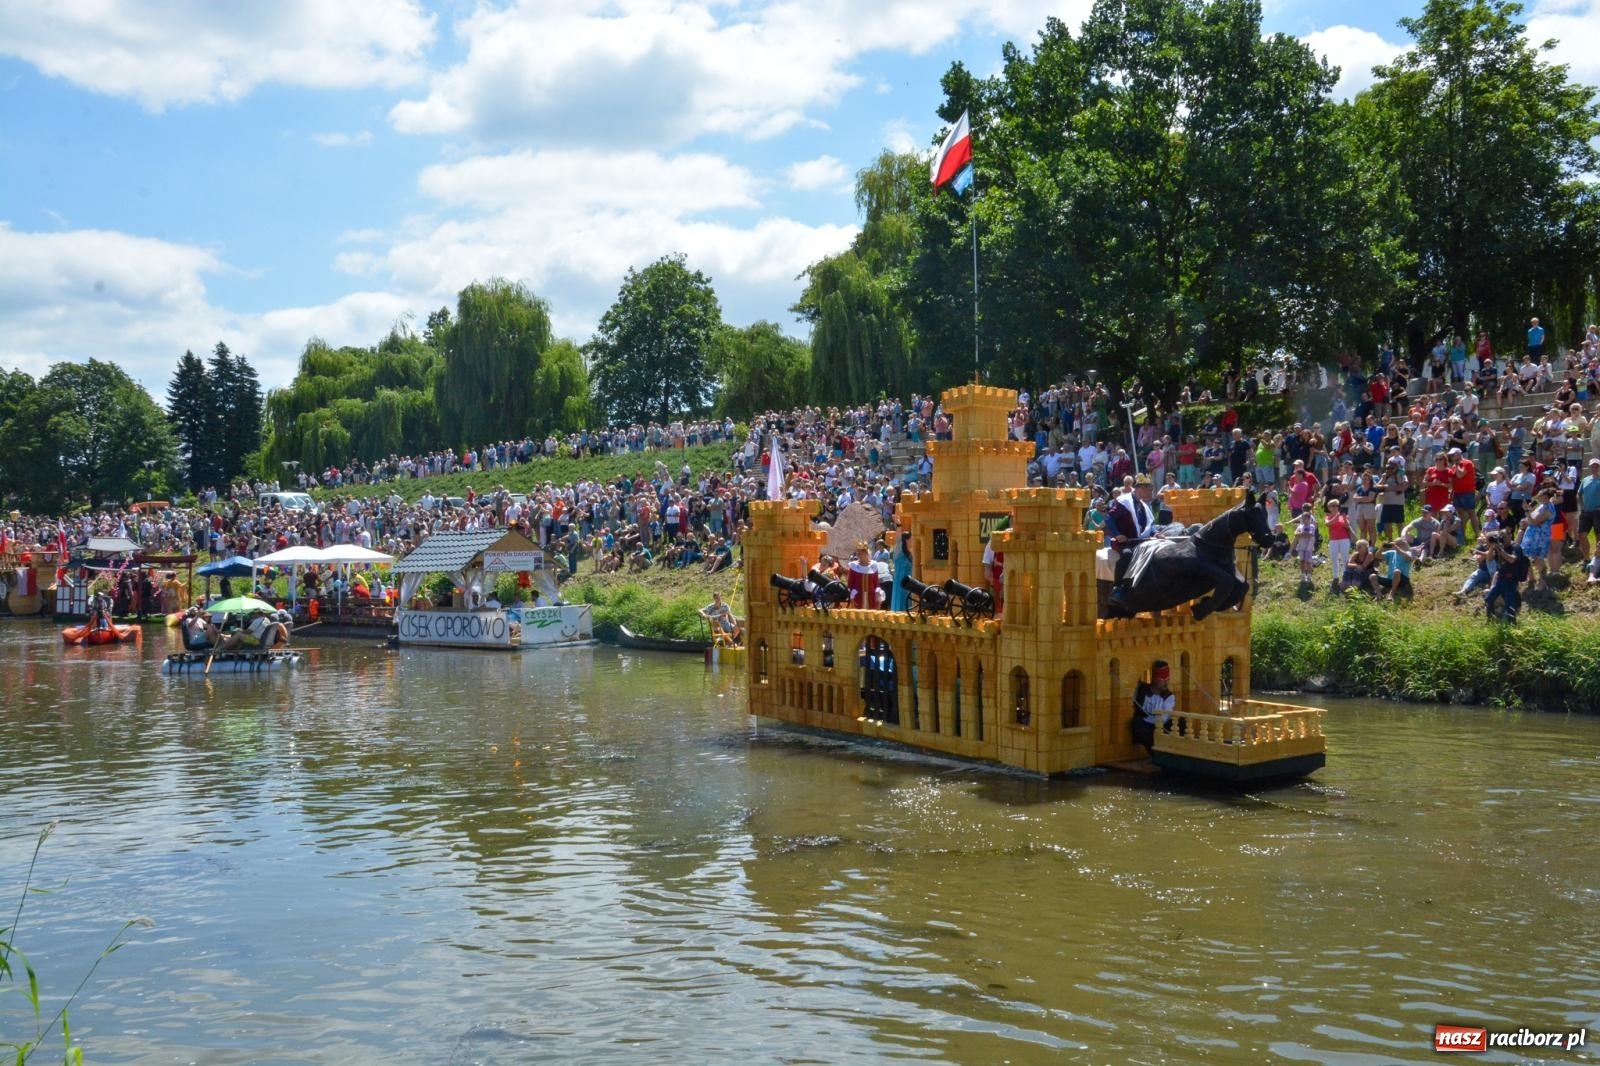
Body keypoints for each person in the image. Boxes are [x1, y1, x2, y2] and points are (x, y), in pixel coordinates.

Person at [1131, 661, 1176, 754]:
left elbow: (1163, 719)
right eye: (1163, 679)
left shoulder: (1169, 697)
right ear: (1155, 679)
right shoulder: (1142, 690)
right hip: (1145, 725)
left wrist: (1148, 718)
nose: (1166, 682)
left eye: (1167, 679)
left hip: (1160, 727)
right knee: (1138, 723)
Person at [1485, 534, 1529, 621]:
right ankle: (1490, 619)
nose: (1503, 540)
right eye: (1501, 538)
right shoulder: (1499, 547)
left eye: (1504, 537)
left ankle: (1512, 622)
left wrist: (1501, 550)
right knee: (1489, 599)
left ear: (1510, 537)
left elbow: (1512, 559)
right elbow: (1489, 558)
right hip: (1501, 579)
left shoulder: (1515, 547)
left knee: (1510, 603)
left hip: (1511, 580)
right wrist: (1492, 547)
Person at [889, 532, 914, 612]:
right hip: (901, 583)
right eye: (911, 539)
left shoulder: (910, 554)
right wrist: (898, 525)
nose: (912, 541)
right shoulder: (899, 552)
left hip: (909, 584)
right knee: (901, 601)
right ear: (906, 540)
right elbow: (899, 539)